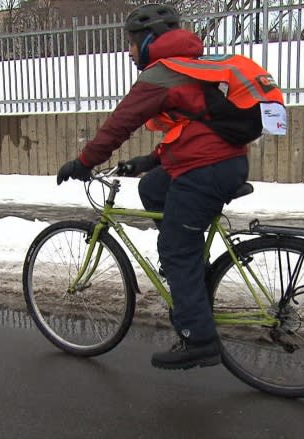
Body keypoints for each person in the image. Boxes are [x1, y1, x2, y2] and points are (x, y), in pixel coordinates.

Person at [56, 4, 252, 370]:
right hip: (219, 161)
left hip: (207, 170)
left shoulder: (162, 73)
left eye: (131, 43)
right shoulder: (190, 65)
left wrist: (84, 163)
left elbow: (119, 124)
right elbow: (195, 126)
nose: (129, 52)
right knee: (153, 189)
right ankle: (193, 274)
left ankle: (200, 341)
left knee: (176, 250)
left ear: (149, 41)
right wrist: (152, 160)